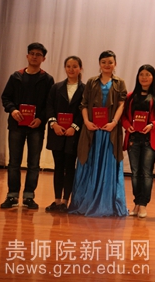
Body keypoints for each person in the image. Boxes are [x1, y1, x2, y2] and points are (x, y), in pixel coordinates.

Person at [69, 50, 128, 217]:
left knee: (109, 164)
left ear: (115, 64)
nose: (107, 65)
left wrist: (114, 123)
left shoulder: (120, 83)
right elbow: (84, 104)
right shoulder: (91, 82)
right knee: (88, 160)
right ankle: (85, 201)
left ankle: (107, 204)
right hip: (92, 130)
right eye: (103, 62)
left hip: (110, 131)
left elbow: (121, 105)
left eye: (110, 62)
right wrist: (87, 122)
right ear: (99, 64)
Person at [0, 42, 54, 209]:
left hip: (36, 127)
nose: (34, 56)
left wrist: (41, 119)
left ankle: (29, 196)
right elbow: (5, 98)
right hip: (16, 126)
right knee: (14, 162)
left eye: (38, 54)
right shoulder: (16, 76)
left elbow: (50, 104)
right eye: (32, 53)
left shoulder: (47, 79)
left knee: (34, 163)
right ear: (27, 56)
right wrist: (13, 110)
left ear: (43, 59)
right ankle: (12, 195)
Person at [121, 65, 155, 219]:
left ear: (153, 77)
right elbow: (123, 116)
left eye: (148, 74)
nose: (144, 77)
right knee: (135, 173)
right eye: (142, 74)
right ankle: (136, 203)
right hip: (133, 139)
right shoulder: (130, 96)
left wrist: (153, 125)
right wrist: (127, 125)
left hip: (149, 140)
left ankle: (143, 204)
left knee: (146, 173)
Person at [45, 56, 85, 212]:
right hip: (57, 132)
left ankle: (65, 201)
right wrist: (54, 124)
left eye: (75, 66)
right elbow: (49, 106)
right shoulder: (56, 87)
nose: (71, 69)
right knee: (58, 166)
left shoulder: (85, 89)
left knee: (69, 167)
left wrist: (74, 127)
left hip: (73, 134)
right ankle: (56, 200)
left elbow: (84, 110)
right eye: (68, 66)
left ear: (80, 68)